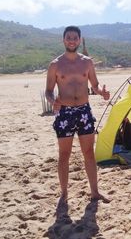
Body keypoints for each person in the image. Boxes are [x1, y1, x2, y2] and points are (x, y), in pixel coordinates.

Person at [45, 25, 110, 203]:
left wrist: (101, 93)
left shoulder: (87, 62)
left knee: (89, 152)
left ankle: (95, 192)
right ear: (63, 40)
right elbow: (49, 91)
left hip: (84, 111)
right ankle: (64, 193)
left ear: (79, 40)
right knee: (64, 154)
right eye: (69, 37)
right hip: (64, 113)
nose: (72, 40)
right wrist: (53, 102)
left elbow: (94, 85)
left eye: (75, 38)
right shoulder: (55, 65)